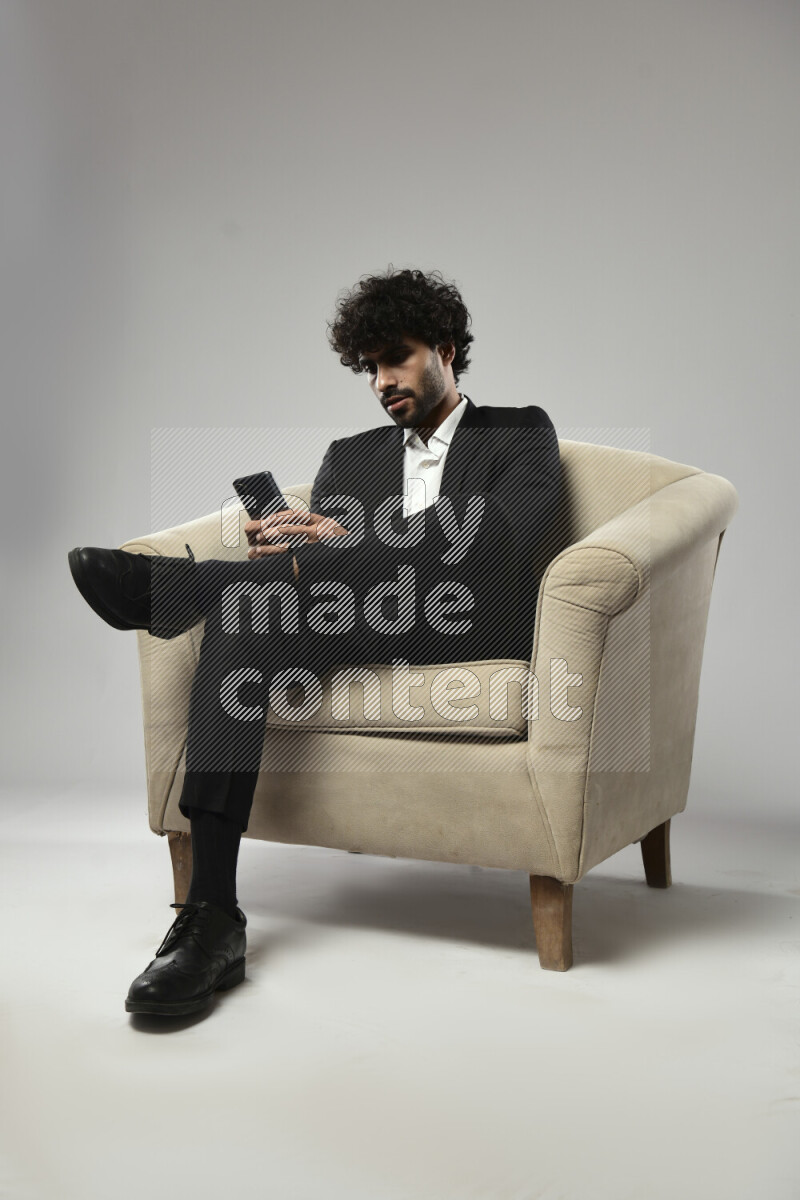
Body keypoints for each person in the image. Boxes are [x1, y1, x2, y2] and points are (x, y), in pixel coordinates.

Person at [68, 266, 565, 1018]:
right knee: (246, 613)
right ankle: (211, 920)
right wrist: (289, 547)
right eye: (368, 368)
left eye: (394, 358)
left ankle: (170, 592)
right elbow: (322, 567)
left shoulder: (520, 431)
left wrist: (350, 538)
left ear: (445, 347)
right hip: (353, 618)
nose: (380, 383)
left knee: (245, 598)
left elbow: (496, 542)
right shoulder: (353, 454)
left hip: (467, 621)